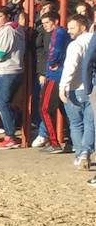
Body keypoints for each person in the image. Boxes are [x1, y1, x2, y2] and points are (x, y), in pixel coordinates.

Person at [59, 14, 93, 170]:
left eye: (72, 28)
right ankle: (86, 152)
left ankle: (80, 154)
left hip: (75, 88)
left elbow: (70, 67)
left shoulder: (75, 45)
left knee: (76, 124)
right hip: (91, 87)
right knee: (90, 123)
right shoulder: (93, 40)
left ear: (83, 27)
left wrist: (62, 87)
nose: (69, 31)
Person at [0, 6, 26, 149]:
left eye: (0, 17)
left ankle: (10, 135)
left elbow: (2, 51)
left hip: (6, 70)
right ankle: (11, 133)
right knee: (7, 103)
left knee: (2, 104)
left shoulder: (7, 30)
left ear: (7, 17)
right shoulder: (18, 29)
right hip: (15, 69)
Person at [35, 11, 70, 152]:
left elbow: (55, 51)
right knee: (64, 110)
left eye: (48, 23)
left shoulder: (58, 33)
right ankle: (72, 141)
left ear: (55, 21)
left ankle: (54, 142)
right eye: (43, 24)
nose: (45, 26)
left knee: (44, 109)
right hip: (59, 74)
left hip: (54, 75)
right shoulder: (61, 33)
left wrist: (52, 62)